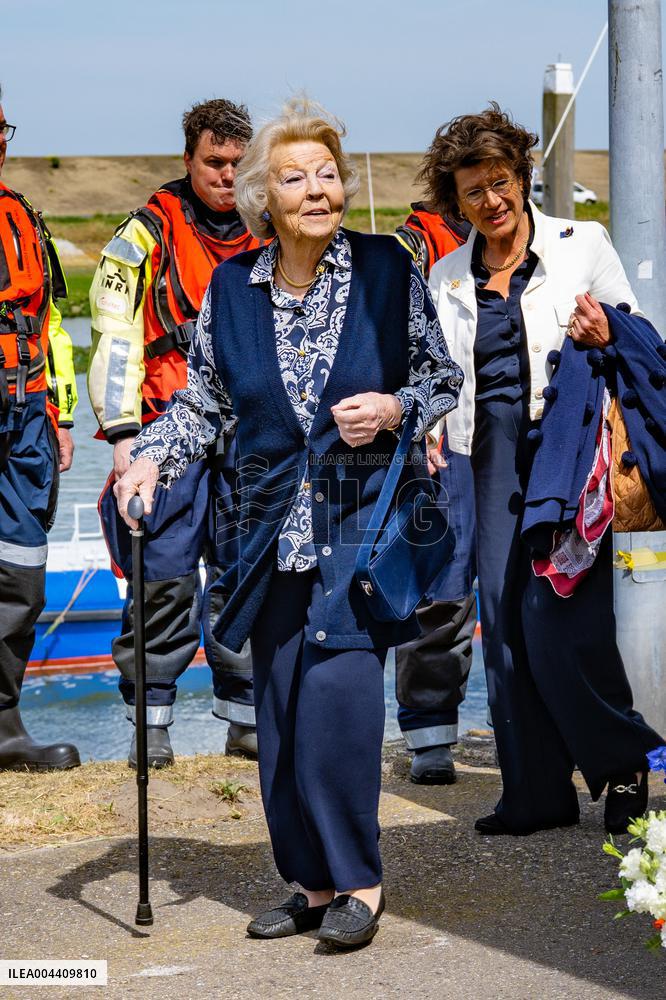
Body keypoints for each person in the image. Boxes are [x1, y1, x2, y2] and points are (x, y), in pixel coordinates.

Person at [114, 99, 462, 949]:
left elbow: (442, 379)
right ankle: (307, 881)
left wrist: (390, 408)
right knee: (277, 714)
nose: (319, 190)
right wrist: (151, 457)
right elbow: (203, 403)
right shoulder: (232, 289)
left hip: (359, 523)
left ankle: (360, 883)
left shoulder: (387, 268)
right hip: (264, 529)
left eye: (329, 174)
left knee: (338, 707)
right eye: (297, 176)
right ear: (265, 196)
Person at [423, 102, 663, 836]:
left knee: (556, 619)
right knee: (502, 624)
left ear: (523, 175)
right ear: (455, 201)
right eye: (473, 191)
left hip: (566, 446)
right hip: (481, 456)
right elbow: (438, 372)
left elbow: (642, 339)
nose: (491, 201)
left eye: (500, 182)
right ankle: (534, 793)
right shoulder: (444, 276)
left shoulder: (580, 243)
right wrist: (429, 426)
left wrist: (605, 330)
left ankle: (623, 765)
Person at [88, 99, 262, 768]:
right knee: (161, 579)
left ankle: (246, 720)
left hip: (249, 438)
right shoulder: (143, 234)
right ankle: (150, 724)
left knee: (246, 575)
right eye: (214, 162)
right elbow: (111, 331)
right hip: (166, 429)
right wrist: (125, 438)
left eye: (236, 165)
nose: (225, 175)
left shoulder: (267, 234)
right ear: (188, 158)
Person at [0, 86, 80, 770]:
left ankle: (3, 725)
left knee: (23, 572)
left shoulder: (23, 216)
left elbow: (50, 323)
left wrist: (58, 414)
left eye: (4, 128)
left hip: (27, 415)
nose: (0, 140)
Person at [394, 205, 478, 784]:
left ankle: (534, 732)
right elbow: (385, 336)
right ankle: (429, 734)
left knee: (531, 590)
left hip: (521, 437)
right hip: (444, 441)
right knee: (440, 589)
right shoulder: (412, 247)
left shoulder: (539, 242)